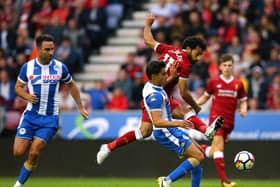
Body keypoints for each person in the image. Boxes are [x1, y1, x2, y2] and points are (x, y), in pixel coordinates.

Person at [96, 13, 223, 164]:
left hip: (157, 91)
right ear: (188, 48)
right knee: (174, 117)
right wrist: (196, 106)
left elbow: (148, 40)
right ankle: (205, 131)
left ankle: (108, 147)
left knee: (146, 131)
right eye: (198, 52)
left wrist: (148, 24)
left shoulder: (171, 49)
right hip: (155, 94)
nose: (200, 57)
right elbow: (183, 92)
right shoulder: (186, 64)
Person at [12, 34, 88, 187]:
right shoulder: (28, 67)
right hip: (30, 116)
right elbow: (17, 88)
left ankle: (18, 185)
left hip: (49, 119)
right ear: (38, 49)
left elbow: (72, 85)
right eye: (47, 49)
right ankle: (30, 163)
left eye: (52, 49)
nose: (51, 52)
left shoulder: (60, 67)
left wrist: (80, 106)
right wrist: (27, 96)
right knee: (18, 152)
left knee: (34, 152)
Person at [143, 60, 204, 187]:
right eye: (163, 74)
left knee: (199, 155)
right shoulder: (155, 96)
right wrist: (179, 123)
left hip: (169, 129)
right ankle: (166, 181)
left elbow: (164, 82)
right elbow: (157, 122)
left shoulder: (151, 85)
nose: (166, 76)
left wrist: (173, 76)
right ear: (154, 76)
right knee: (198, 156)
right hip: (165, 131)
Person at [197, 54, 247, 187]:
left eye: (230, 65)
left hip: (230, 122)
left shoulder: (238, 84)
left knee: (214, 151)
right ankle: (224, 180)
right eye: (224, 65)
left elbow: (243, 101)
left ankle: (197, 149)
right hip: (216, 119)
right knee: (219, 148)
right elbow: (205, 97)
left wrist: (243, 109)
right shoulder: (213, 82)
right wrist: (194, 105)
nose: (227, 68)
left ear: (233, 67)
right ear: (220, 66)